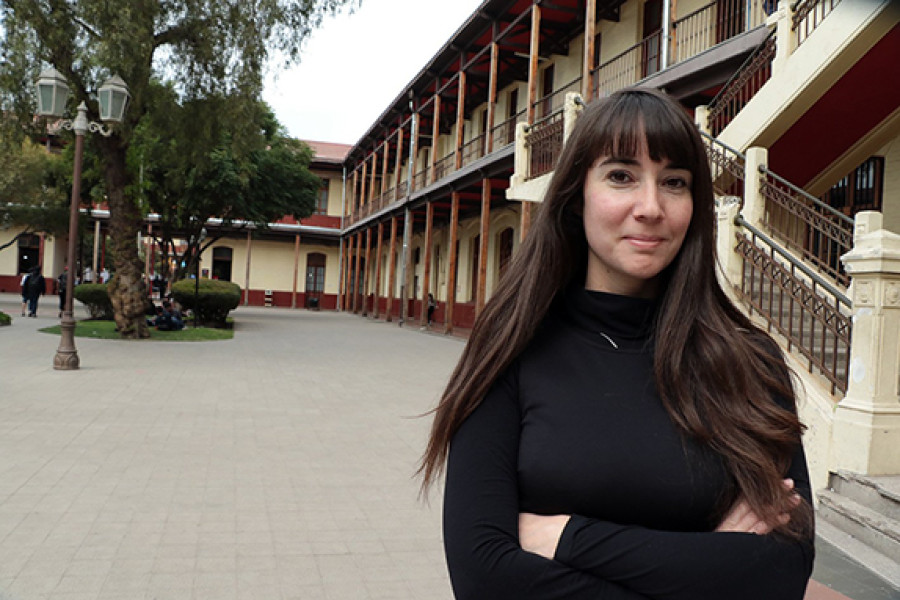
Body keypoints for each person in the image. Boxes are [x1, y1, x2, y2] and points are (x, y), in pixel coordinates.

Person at [419, 88, 814, 600]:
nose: (650, 207)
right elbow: (485, 576)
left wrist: (563, 536)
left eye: (675, 182)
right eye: (621, 176)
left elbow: (781, 572)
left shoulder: (750, 361)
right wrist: (708, 564)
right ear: (576, 193)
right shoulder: (509, 351)